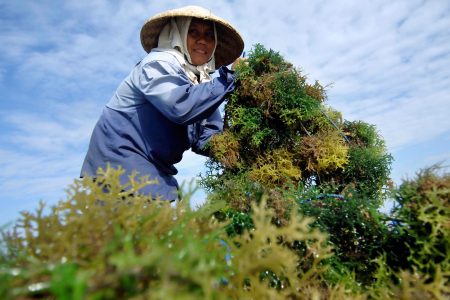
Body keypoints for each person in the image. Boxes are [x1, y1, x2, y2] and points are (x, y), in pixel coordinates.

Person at [80, 6, 244, 201]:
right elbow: (180, 106)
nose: (202, 40)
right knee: (131, 229)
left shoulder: (204, 84)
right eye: (194, 32)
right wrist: (230, 78)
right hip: (120, 165)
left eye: (209, 35)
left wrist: (243, 145)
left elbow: (206, 138)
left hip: (154, 173)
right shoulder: (158, 63)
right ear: (178, 34)